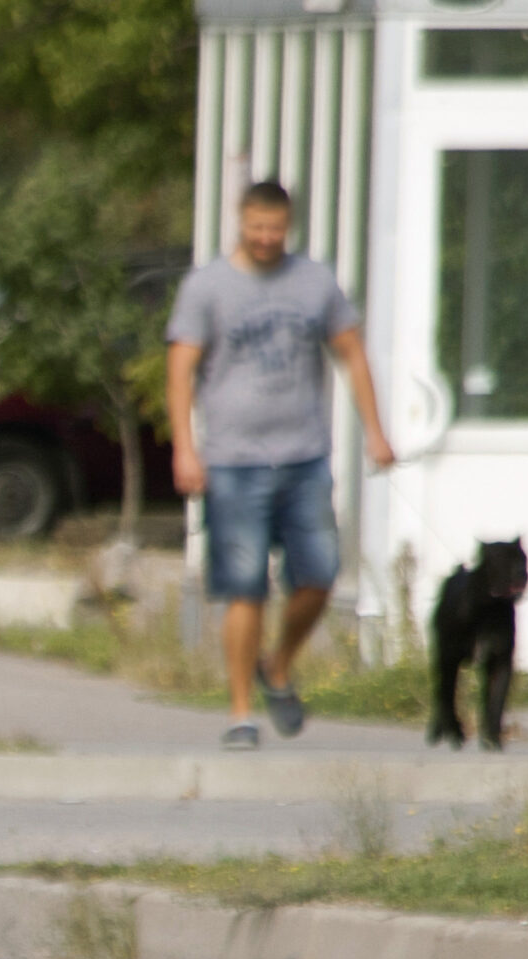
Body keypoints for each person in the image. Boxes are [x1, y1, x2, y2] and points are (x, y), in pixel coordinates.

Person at [166, 180, 395, 750]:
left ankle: (279, 665)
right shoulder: (208, 286)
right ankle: (242, 713)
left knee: (318, 576)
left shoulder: (314, 282)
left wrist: (376, 431)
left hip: (304, 457)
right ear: (240, 222)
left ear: (287, 225)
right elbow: (180, 370)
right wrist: (184, 448)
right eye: (256, 228)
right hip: (234, 463)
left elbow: (352, 353)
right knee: (245, 589)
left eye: (275, 229)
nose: (266, 239)